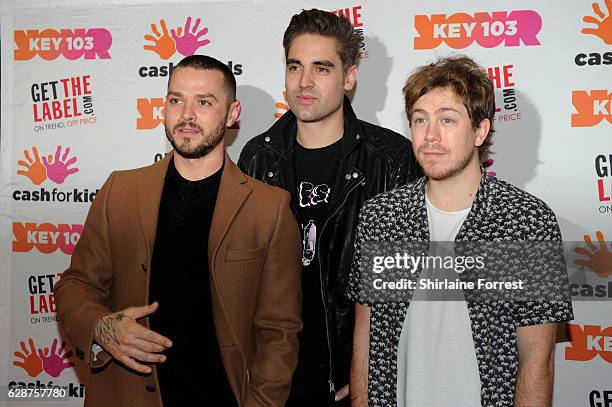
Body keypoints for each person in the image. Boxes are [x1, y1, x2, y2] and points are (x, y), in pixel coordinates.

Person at [55, 55, 302, 407]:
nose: (187, 115)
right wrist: (102, 327)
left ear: (232, 114)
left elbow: (279, 334)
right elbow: (75, 285)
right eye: (176, 100)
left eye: (204, 102)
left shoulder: (269, 209)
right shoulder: (120, 191)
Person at [347, 55, 574, 406]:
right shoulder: (382, 217)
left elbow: (537, 359)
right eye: (420, 120)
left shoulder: (527, 221)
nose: (430, 135)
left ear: (480, 130)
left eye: (447, 120)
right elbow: (366, 338)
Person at [238, 9, 421, 406]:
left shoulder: (391, 160)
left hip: (354, 381)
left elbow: (412, 283)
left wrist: (373, 373)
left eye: (322, 68)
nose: (304, 82)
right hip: (273, 383)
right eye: (295, 67)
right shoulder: (256, 159)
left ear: (349, 76)